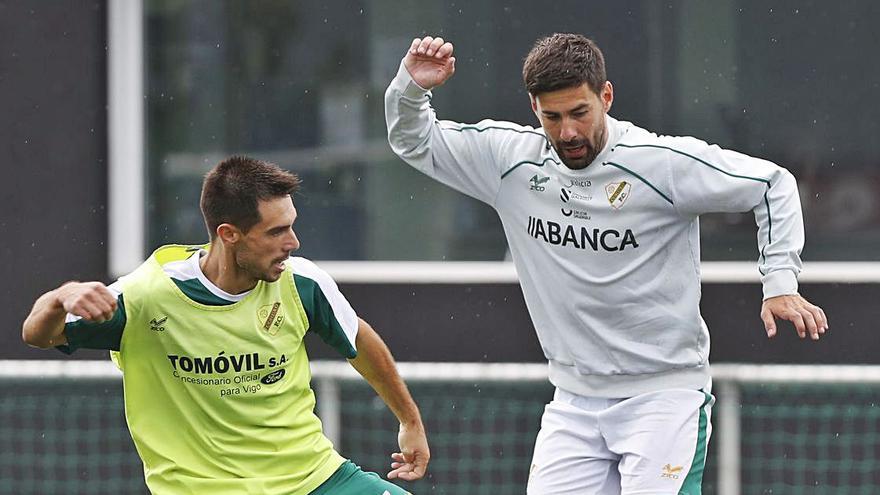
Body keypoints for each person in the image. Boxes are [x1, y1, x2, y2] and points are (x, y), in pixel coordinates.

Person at [385, 33, 827, 494]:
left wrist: (779, 281)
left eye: (580, 113)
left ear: (606, 96)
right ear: (534, 108)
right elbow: (414, 141)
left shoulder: (660, 163)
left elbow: (772, 184)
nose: (568, 132)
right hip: (573, 401)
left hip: (664, 396)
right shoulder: (510, 161)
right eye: (552, 117)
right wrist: (411, 88)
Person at [22, 156, 429, 494]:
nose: (294, 242)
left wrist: (409, 420)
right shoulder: (146, 296)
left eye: (292, 224)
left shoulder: (301, 282)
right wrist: (62, 296)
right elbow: (38, 334)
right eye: (277, 231)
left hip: (315, 480)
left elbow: (357, 337)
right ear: (229, 234)